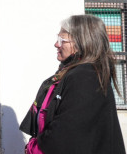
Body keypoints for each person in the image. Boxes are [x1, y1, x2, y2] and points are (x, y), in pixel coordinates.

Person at [20, 15, 125, 154]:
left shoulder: (86, 76)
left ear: (81, 43)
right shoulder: (74, 73)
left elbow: (68, 130)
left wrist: (35, 148)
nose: (56, 44)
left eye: (61, 40)